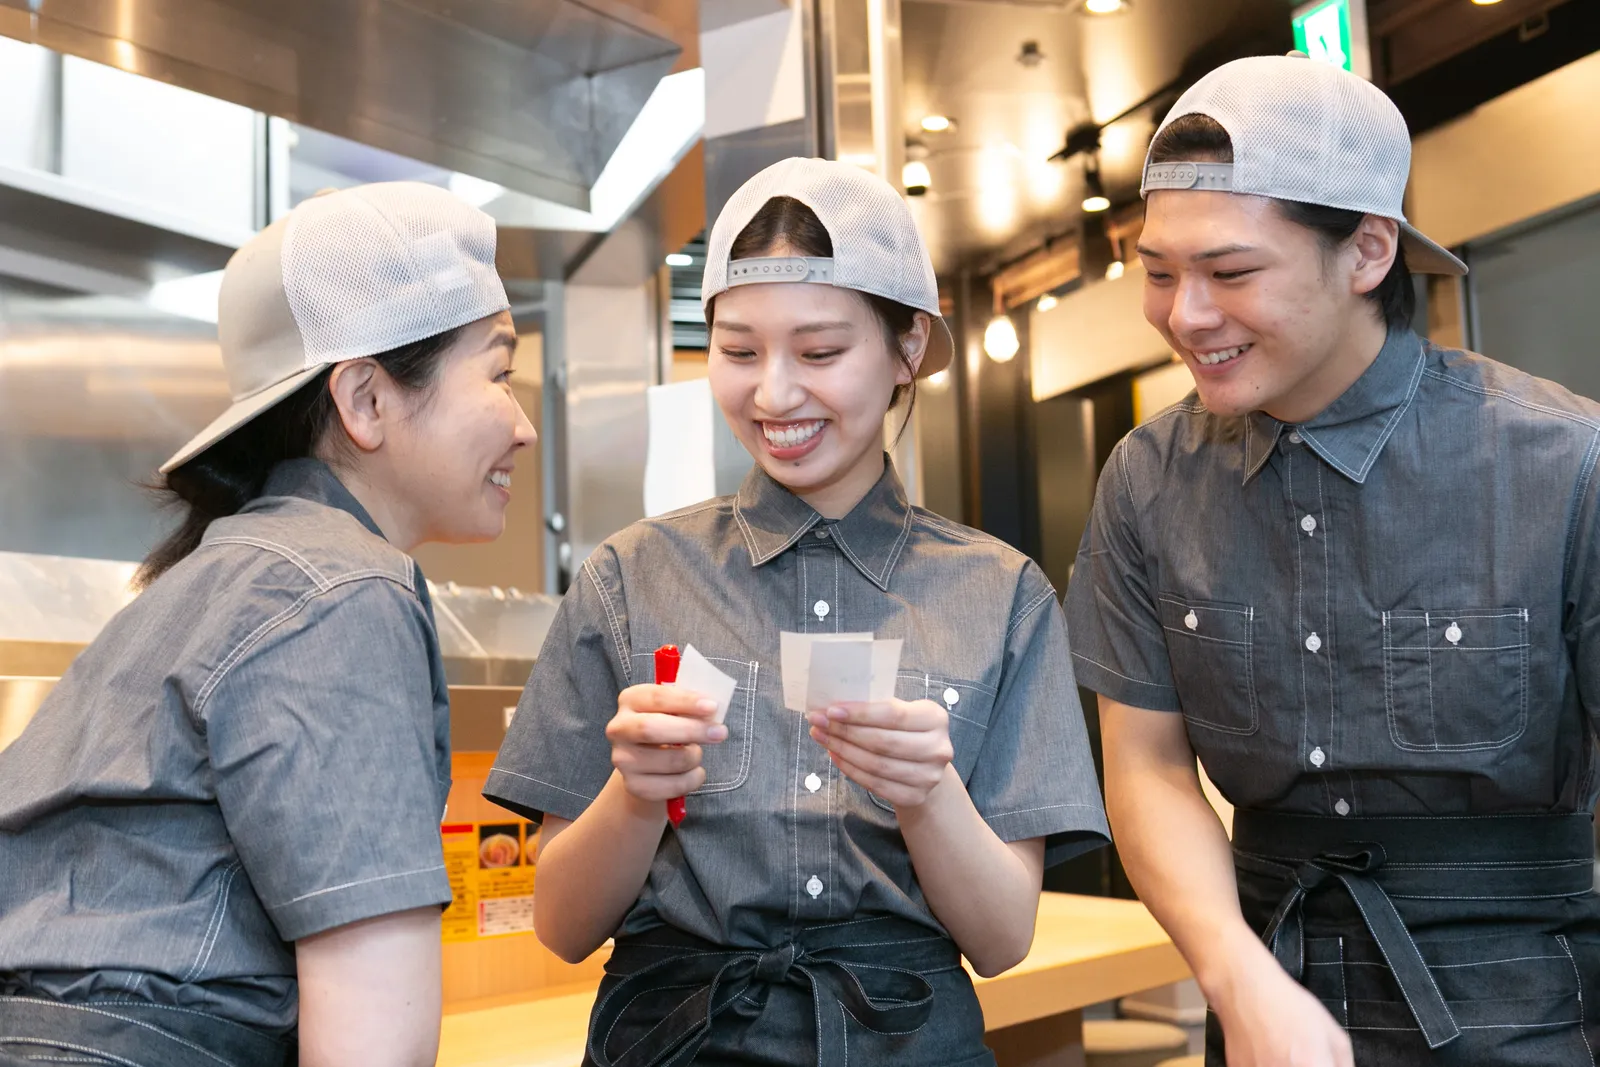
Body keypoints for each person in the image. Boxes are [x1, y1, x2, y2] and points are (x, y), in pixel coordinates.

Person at [486, 157, 1109, 1066]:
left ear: (906, 349)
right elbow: (562, 924)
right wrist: (635, 794)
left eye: (819, 352)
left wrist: (927, 794)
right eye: (738, 351)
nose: (774, 394)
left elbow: (1004, 938)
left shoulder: (1002, 594)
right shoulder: (632, 578)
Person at [1065, 53, 1600, 1067]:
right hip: (1268, 979)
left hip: (1528, 1002)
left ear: (1365, 250)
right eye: (1159, 271)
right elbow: (1145, 768)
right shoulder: (1146, 477)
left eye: (1229, 273)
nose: (1185, 315)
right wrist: (1236, 978)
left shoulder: (1564, 463)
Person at [0, 182, 536, 1067]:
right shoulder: (342, 594)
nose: (519, 425)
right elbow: (371, 1047)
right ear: (364, 399)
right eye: (498, 371)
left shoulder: (208, 577)